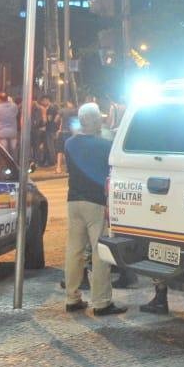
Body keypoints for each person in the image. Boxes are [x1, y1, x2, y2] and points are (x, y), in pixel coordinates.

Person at [63, 103, 126, 316]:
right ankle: (101, 302)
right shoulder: (103, 146)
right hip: (95, 202)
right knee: (99, 253)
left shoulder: (69, 144)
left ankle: (72, 298)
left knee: (74, 250)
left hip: (73, 201)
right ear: (97, 121)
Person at [0, 93, 20, 158]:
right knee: (14, 150)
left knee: (4, 151)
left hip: (1, 133)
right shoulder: (14, 106)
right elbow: (16, 114)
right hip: (13, 132)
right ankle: (15, 165)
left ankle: (6, 165)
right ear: (7, 98)